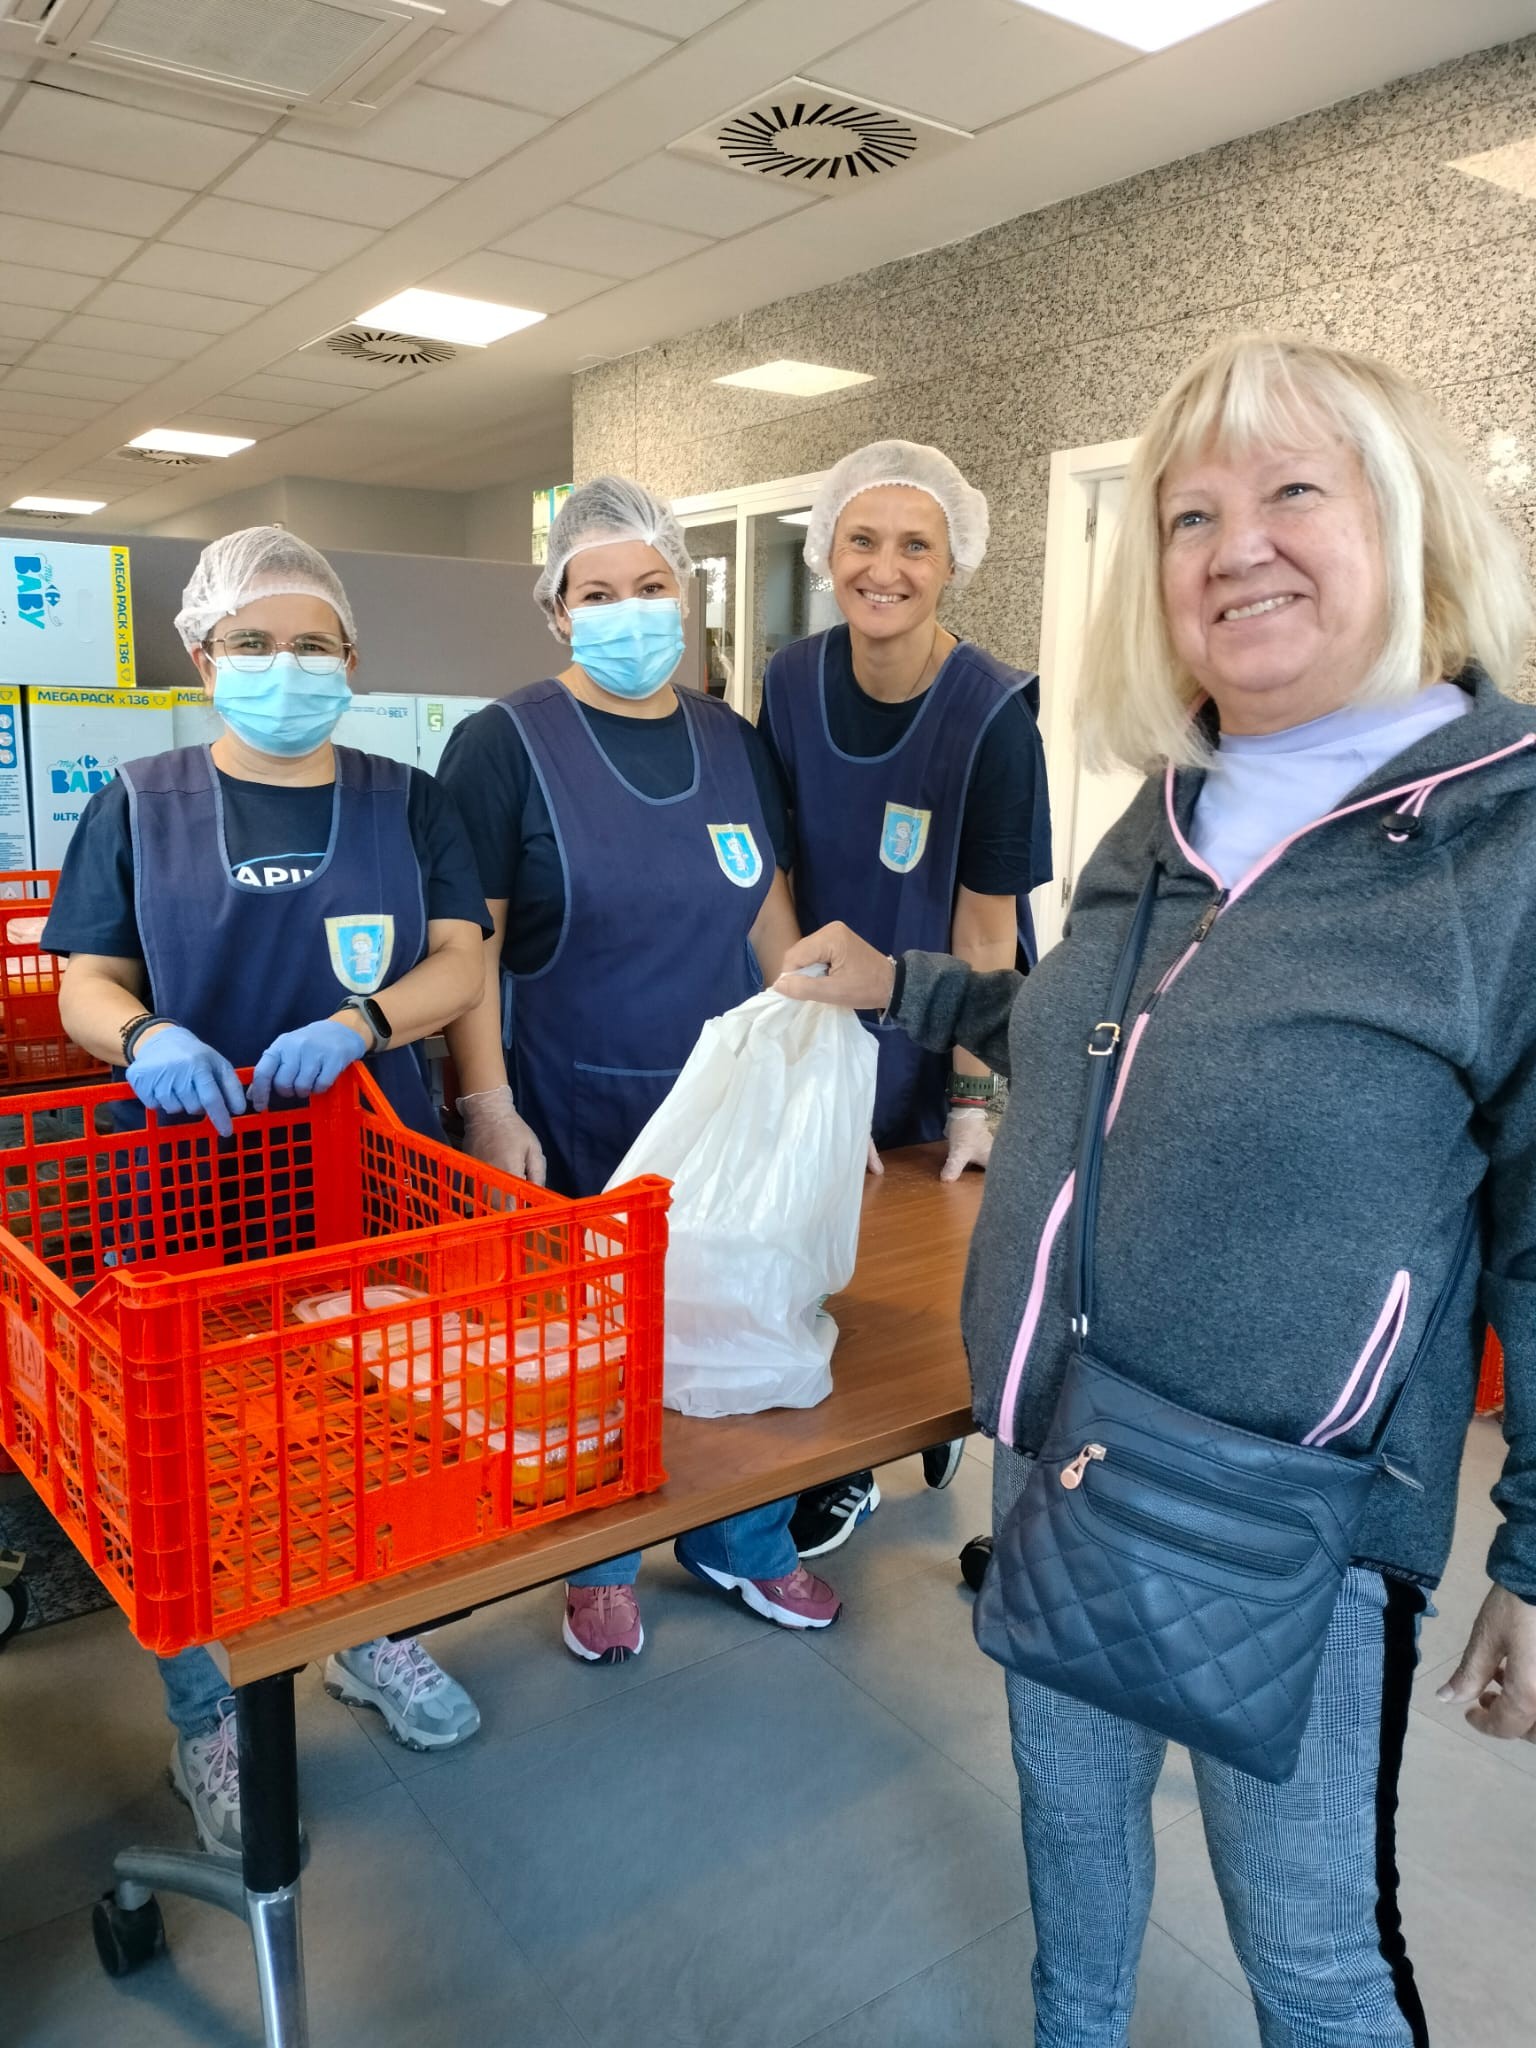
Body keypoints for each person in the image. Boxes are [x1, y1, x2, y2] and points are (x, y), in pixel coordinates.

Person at [778, 334, 1536, 2047]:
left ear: (1406, 519)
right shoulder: (1168, 809)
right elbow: (1084, 1032)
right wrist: (901, 986)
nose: (1234, 545)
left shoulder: (1505, 841)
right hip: (1063, 1451)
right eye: (1190, 514)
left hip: (1285, 1517)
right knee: (1071, 1841)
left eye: (1292, 490)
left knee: (1311, 1953)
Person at [44, 527, 491, 1857]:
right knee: (191, 1462)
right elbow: (84, 981)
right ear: (204, 656)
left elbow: (462, 960)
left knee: (376, 1416)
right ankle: (208, 1714)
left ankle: (371, 1633)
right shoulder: (138, 802)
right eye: (253, 642)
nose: (284, 665)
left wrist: (364, 1021)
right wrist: (144, 1036)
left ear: (351, 657)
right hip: (185, 1184)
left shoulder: (409, 800)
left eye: (311, 644)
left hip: (368, 1175)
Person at [439, 476, 843, 1665]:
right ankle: (602, 1563)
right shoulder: (502, 745)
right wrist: (487, 1101)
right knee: (593, 1359)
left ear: (686, 593)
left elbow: (769, 918)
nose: (629, 610)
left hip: (721, 1110)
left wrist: (808, 1079)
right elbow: (471, 947)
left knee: (740, 1327)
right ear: (557, 609)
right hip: (575, 1108)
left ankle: (743, 1536)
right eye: (598, 591)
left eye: (651, 585)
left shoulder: (731, 742)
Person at [761, 441, 1051, 1556]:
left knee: (912, 1259)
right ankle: (829, 1458)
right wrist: (805, 1046)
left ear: (953, 562)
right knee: (810, 1248)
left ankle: (917, 1416)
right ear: (826, 551)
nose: (885, 569)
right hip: (823, 1012)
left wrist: (975, 1102)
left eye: (916, 546)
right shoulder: (791, 682)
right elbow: (781, 873)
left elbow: (985, 934)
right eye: (862, 540)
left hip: (939, 1027)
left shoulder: (993, 716)